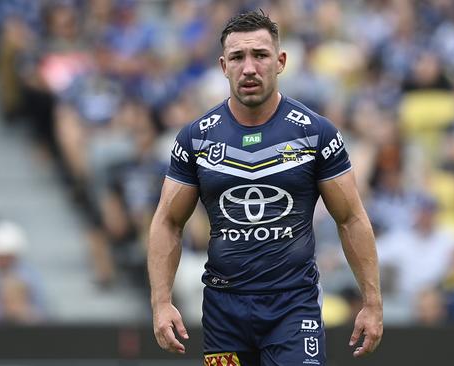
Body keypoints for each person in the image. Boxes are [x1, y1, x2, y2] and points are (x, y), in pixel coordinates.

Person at [148, 10, 383, 365]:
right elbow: (167, 222)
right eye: (238, 58)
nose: (249, 68)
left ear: (281, 61)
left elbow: (351, 218)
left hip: (293, 306)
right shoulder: (196, 138)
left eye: (260, 55)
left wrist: (372, 302)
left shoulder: (315, 133)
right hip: (223, 312)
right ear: (223, 66)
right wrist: (161, 302)